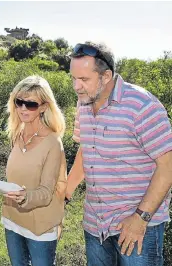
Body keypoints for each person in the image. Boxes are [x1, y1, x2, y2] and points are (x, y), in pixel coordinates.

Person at [66, 41, 172, 266]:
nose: (76, 86)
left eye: (84, 79)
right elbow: (87, 150)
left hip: (137, 227)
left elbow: (168, 166)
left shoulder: (142, 106)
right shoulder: (84, 102)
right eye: (73, 78)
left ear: (106, 76)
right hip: (95, 225)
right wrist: (65, 191)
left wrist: (140, 218)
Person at [2, 75, 67, 266]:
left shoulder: (53, 143)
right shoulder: (17, 133)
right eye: (19, 102)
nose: (22, 108)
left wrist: (24, 197)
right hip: (12, 219)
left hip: (41, 226)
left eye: (30, 104)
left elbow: (46, 193)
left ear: (44, 107)